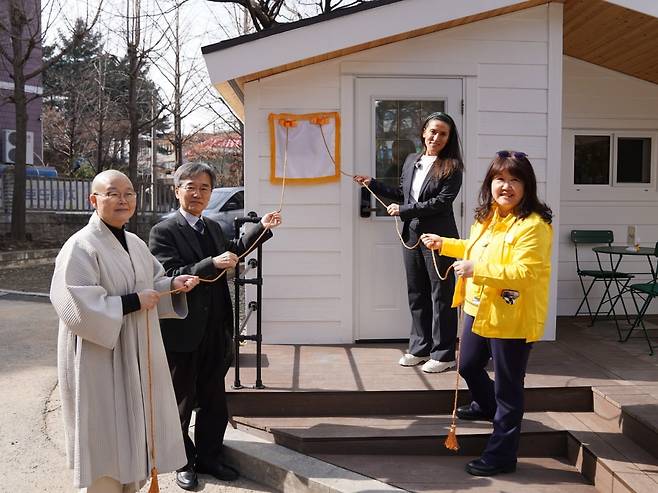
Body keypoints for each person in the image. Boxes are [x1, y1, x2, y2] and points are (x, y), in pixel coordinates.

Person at [50, 169, 200, 492]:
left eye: (129, 193)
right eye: (113, 193)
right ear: (94, 200)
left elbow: (151, 285)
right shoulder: (79, 246)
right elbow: (75, 304)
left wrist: (172, 285)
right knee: (105, 435)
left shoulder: (134, 243)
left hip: (135, 352)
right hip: (99, 355)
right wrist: (132, 302)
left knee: (134, 430)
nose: (123, 200)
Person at [149, 162, 282, 491]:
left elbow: (234, 252)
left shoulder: (212, 227)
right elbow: (169, 276)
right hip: (183, 328)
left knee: (213, 398)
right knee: (182, 399)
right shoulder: (162, 231)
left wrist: (261, 228)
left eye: (204, 188)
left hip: (215, 326)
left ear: (210, 193)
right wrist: (211, 264)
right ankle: (182, 461)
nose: (197, 194)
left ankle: (209, 455)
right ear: (177, 190)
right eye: (190, 187)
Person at [421, 151, 553, 476]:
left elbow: (525, 272)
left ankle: (502, 456)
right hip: (478, 309)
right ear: (490, 183)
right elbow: (474, 247)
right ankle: (486, 407)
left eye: (514, 180)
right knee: (467, 365)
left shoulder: (534, 226)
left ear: (526, 185)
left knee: (509, 389)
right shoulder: (487, 217)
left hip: (512, 316)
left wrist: (475, 269)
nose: (505, 186)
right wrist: (445, 244)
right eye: (499, 179)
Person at [354, 112, 463, 373]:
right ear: (424, 131)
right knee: (417, 294)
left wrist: (404, 211)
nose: (436, 137)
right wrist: (373, 184)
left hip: (439, 240)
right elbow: (404, 194)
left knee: (442, 297)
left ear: (449, 138)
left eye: (443, 133)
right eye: (433, 131)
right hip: (412, 236)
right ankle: (420, 348)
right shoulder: (412, 160)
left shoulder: (452, 166)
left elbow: (441, 203)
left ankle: (444, 354)